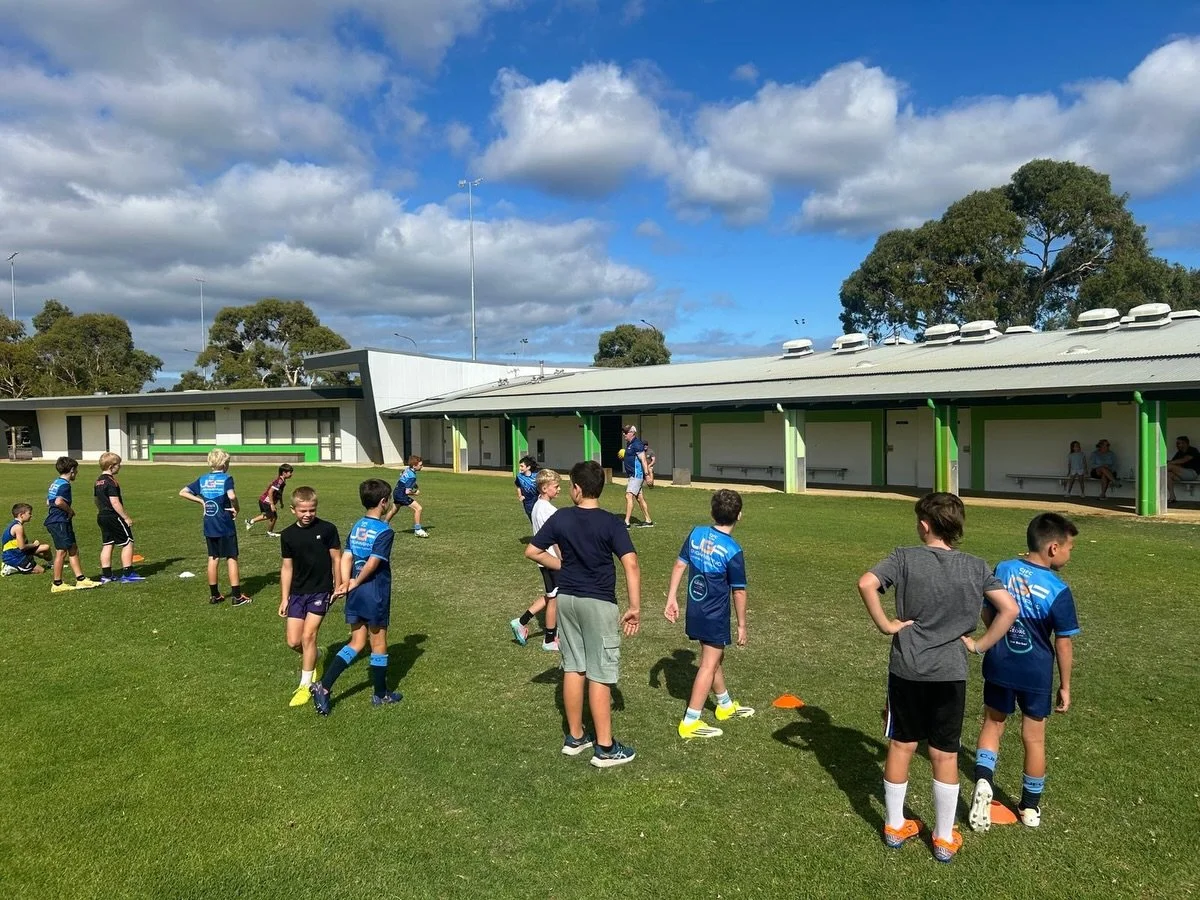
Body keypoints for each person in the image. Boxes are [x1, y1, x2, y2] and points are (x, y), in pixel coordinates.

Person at [857, 492, 1019, 863]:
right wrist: (979, 646)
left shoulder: (903, 557)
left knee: (901, 745)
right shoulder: (976, 567)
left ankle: (894, 826)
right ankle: (944, 838)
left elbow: (866, 583)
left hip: (907, 669)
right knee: (945, 754)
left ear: (924, 525)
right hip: (950, 675)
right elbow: (1009, 609)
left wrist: (886, 625)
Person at [525, 460, 641, 768]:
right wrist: (634, 607)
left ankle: (575, 737)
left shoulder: (561, 517)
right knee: (600, 673)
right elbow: (630, 564)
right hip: (598, 603)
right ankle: (605, 748)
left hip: (567, 600)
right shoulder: (611, 523)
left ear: (577, 489)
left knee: (573, 666)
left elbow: (533, 551)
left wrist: (563, 568)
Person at [969, 513, 1080, 833]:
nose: (1070, 555)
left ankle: (984, 782)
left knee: (993, 724)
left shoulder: (1003, 568)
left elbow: (988, 609)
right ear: (1053, 548)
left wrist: (995, 637)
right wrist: (1066, 686)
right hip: (1035, 672)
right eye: (1070, 548)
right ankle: (1030, 807)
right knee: (1034, 738)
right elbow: (1063, 643)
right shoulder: (1058, 590)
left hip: (1000, 663)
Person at [663, 489, 754, 739]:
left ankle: (724, 705)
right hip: (714, 613)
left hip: (695, 608)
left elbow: (680, 564)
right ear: (739, 515)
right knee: (708, 663)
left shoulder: (696, 533)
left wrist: (671, 598)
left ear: (712, 512)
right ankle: (691, 720)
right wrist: (742, 625)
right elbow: (739, 592)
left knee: (714, 657)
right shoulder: (733, 550)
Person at [311, 478, 401, 715]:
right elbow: (373, 563)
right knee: (378, 642)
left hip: (355, 593)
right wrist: (356, 581)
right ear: (384, 502)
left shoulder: (357, 526)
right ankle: (381, 693)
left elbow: (347, 556)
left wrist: (344, 584)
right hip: (374, 592)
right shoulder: (385, 531)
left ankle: (324, 686)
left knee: (357, 642)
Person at [278, 485, 343, 707]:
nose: (307, 515)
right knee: (294, 641)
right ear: (293, 510)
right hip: (297, 593)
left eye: (312, 510)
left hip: (321, 590)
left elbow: (336, 558)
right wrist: (285, 597)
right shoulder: (287, 535)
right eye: (303, 511)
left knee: (308, 637)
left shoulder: (327, 529)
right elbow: (287, 568)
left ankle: (306, 686)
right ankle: (320, 655)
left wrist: (338, 584)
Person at [179, 448, 250, 606]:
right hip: (224, 522)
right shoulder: (226, 478)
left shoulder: (202, 479)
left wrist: (202, 501)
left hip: (209, 523)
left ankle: (214, 595)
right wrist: (236, 508)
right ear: (225, 464)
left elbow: (183, 492)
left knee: (213, 557)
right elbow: (232, 496)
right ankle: (237, 596)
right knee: (232, 557)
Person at [510, 468, 562, 651]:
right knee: (554, 597)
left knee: (552, 594)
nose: (559, 490)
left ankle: (521, 621)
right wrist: (564, 558)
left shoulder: (537, 506)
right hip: (551, 559)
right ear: (545, 487)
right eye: (556, 486)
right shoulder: (549, 510)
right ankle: (549, 639)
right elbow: (556, 539)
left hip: (543, 558)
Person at [43, 457, 101, 592]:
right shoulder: (65, 485)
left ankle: (81, 579)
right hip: (59, 521)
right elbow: (58, 502)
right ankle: (57, 584)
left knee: (73, 548)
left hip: (59, 520)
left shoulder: (55, 483)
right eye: (77, 470)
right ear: (72, 470)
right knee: (61, 551)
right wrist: (70, 511)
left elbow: (48, 502)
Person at [94, 452, 145, 584]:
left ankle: (106, 574)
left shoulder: (98, 481)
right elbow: (115, 502)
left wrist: (102, 511)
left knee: (107, 544)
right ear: (112, 466)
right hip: (113, 515)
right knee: (128, 542)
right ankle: (128, 573)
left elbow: (96, 500)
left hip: (102, 515)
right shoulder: (111, 482)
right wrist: (126, 517)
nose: (120, 467)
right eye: (118, 465)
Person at [384, 455, 429, 538]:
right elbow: (407, 491)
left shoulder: (407, 469)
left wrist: (413, 485)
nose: (422, 466)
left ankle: (383, 526)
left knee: (394, 510)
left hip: (396, 492)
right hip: (401, 494)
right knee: (418, 508)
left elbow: (401, 474)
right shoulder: (412, 476)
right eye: (420, 465)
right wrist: (415, 493)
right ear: (414, 466)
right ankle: (418, 530)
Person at [1, 503, 51, 577]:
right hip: (14, 556)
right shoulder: (18, 527)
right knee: (41, 570)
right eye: (29, 513)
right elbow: (22, 547)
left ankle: (52, 564)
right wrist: (34, 545)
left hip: (18, 551)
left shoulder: (16, 524)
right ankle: (10, 567)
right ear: (21, 515)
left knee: (46, 547)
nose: (31, 515)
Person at [246, 464, 294, 536]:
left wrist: (281, 502)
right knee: (273, 516)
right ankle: (269, 533)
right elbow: (270, 491)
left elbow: (278, 492)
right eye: (290, 472)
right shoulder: (279, 481)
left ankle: (251, 521)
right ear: (284, 472)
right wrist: (272, 504)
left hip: (264, 500)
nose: (291, 474)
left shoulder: (282, 481)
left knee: (269, 515)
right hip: (266, 501)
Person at [621, 425, 654, 529]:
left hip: (636, 475)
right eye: (624, 432)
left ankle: (626, 522)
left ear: (632, 433)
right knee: (640, 499)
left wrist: (647, 475)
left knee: (628, 495)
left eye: (626, 432)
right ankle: (648, 520)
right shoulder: (630, 444)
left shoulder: (637, 444)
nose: (624, 434)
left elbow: (643, 460)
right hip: (632, 475)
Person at [1167, 435, 1200, 505]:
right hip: (1181, 475)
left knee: (1169, 466)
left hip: (1192, 474)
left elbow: (1184, 460)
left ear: (1185, 443)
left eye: (1179, 443)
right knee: (1168, 475)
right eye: (1177, 443)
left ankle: (1151, 479)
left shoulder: (1192, 450)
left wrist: (1170, 463)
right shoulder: (1179, 453)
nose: (1177, 445)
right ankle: (1172, 497)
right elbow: (1175, 463)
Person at [515, 455, 540, 521]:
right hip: (527, 502)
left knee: (539, 519)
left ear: (528, 467)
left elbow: (541, 486)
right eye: (520, 466)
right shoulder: (519, 477)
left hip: (537, 500)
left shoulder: (536, 476)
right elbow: (518, 486)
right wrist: (520, 496)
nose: (520, 468)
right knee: (532, 519)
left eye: (522, 466)